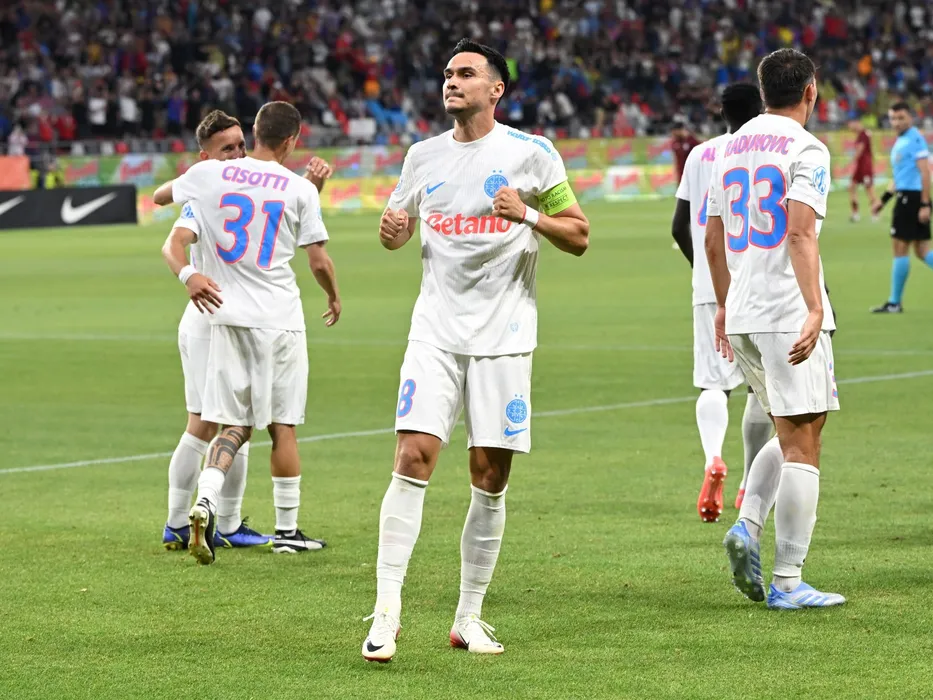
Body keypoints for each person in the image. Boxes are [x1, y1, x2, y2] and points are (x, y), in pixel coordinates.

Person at [361, 38, 589, 662]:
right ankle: (386, 612)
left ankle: (468, 616)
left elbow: (578, 235)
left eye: (465, 73)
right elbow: (398, 228)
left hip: (504, 339)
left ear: (496, 89)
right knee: (412, 457)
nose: (451, 82)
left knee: (489, 476)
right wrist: (391, 232)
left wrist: (528, 216)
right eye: (447, 73)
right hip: (434, 333)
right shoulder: (422, 156)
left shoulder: (532, 153)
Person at [155, 101, 341, 565]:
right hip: (226, 317)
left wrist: (306, 189)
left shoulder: (210, 181)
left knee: (232, 423)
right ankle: (190, 519)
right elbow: (174, 239)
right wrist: (187, 275)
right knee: (217, 423)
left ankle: (221, 518)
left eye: (240, 144)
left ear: (254, 134)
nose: (235, 154)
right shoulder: (209, 184)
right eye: (226, 149)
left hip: (225, 317)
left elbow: (166, 197)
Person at [706, 48, 845, 610]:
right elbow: (800, 231)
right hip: (785, 310)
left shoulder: (729, 147)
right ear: (810, 91)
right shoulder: (808, 148)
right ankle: (788, 581)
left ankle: (747, 524)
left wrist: (723, 306)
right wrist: (814, 308)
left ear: (763, 92)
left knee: (789, 429)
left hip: (742, 309)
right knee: (805, 440)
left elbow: (712, 239)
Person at [671, 84, 776, 523]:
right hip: (760, 283)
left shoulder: (700, 154)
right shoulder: (769, 149)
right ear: (762, 109)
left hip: (709, 288)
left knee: (713, 384)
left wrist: (706, 270)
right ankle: (749, 479)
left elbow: (679, 226)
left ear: (721, 112)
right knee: (758, 386)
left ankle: (713, 457)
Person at [870, 102, 933, 313]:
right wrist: (883, 200)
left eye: (901, 118)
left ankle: (894, 302)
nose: (896, 122)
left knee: (900, 248)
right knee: (922, 251)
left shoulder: (914, 139)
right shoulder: (903, 140)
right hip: (908, 197)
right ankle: (894, 302)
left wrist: (925, 204)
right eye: (893, 118)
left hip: (912, 200)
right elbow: (900, 176)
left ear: (910, 118)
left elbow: (925, 173)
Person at [848, 119, 879, 223]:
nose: (850, 128)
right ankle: (855, 213)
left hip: (865, 167)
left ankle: (875, 213)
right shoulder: (863, 134)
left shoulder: (864, 134)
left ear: (857, 123)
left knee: (869, 190)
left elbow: (860, 150)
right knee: (852, 187)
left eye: (851, 125)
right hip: (860, 167)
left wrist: (851, 162)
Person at [672, 116, 700, 184]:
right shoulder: (675, 143)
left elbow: (699, 147)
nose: (673, 133)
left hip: (693, 172)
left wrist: (689, 137)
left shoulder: (691, 140)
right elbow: (681, 153)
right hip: (681, 174)